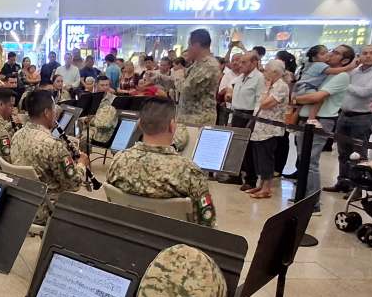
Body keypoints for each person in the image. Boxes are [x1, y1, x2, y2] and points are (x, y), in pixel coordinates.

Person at [107, 98, 216, 226]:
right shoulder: (190, 172)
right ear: (172, 126)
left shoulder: (118, 161)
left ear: (139, 125)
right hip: (174, 242)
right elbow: (207, 223)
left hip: (128, 238)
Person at [9, 89, 87, 223]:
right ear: (46, 113)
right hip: (45, 207)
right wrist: (81, 164)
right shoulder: (53, 145)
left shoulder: (17, 135)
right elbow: (74, 184)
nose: (56, 113)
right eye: (54, 109)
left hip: (22, 202)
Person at [292, 46, 353, 213]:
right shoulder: (323, 72)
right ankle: (302, 195)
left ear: (345, 60)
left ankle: (312, 203)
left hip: (321, 120)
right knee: (302, 159)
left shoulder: (341, 76)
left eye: (336, 53)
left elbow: (317, 97)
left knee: (310, 161)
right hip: (306, 119)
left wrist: (297, 99)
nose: (331, 54)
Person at [324, 45, 372, 193]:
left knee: (358, 154)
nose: (368, 56)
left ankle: (357, 188)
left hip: (363, 117)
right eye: (365, 53)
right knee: (343, 153)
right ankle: (343, 182)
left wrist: (344, 84)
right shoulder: (354, 71)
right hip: (344, 115)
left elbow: (365, 93)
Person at [246, 60, 289, 199]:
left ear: (275, 72)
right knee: (258, 157)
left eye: (267, 70)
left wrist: (267, 88)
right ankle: (261, 184)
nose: (264, 73)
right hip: (259, 128)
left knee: (266, 158)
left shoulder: (281, 86)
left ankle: (267, 188)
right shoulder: (269, 86)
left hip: (270, 129)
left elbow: (265, 104)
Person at [227, 51, 265, 189]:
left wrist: (254, 119)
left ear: (254, 62)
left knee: (248, 149)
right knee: (235, 147)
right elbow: (231, 90)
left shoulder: (259, 78)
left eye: (244, 62)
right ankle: (235, 175)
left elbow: (259, 100)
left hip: (248, 115)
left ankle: (251, 179)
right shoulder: (241, 77)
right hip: (237, 113)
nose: (240, 65)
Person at [177, 29, 220, 128]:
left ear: (196, 45)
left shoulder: (209, 65)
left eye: (189, 45)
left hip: (199, 121)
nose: (188, 49)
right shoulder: (197, 63)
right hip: (188, 120)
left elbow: (186, 89)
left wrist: (178, 75)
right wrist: (159, 77)